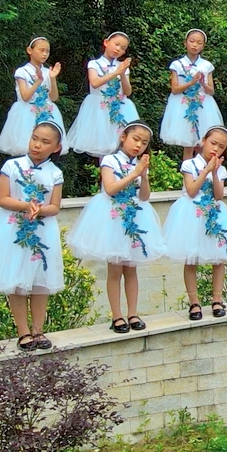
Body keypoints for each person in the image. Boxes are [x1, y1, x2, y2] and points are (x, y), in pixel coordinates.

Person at [0, 121, 66, 350]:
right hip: (13, 229)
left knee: (40, 283)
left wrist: (40, 210)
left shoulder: (55, 173)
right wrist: (25, 206)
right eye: (35, 138)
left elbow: (55, 206)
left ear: (56, 147)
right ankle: (23, 332)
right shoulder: (12, 165)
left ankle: (39, 331)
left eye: (45, 142)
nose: (37, 145)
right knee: (16, 282)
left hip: (42, 231)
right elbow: (2, 198)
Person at [70, 121, 169, 333]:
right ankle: (117, 316)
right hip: (113, 216)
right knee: (115, 270)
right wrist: (134, 174)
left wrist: (143, 176)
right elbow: (110, 189)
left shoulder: (139, 164)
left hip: (134, 216)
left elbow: (144, 196)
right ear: (123, 137)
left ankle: (133, 313)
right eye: (136, 139)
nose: (139, 145)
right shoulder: (110, 160)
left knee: (131, 269)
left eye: (144, 143)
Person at [162, 126, 227, 321]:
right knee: (191, 259)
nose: (216, 148)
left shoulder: (220, 169)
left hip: (214, 212)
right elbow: (191, 190)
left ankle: (217, 299)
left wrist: (214, 173)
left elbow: (219, 195)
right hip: (192, 213)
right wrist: (206, 170)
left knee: (219, 258)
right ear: (203, 141)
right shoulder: (189, 164)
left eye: (221, 146)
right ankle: (194, 302)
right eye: (213, 143)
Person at [0, 36, 65, 158]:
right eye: (41, 50)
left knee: (46, 144)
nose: (45, 54)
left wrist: (52, 78)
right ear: (30, 50)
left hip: (46, 112)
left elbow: (53, 97)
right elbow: (25, 96)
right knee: (26, 146)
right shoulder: (22, 72)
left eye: (47, 51)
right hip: (26, 112)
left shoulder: (48, 71)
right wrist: (38, 81)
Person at [70, 31, 138, 158]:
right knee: (101, 145)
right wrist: (115, 73)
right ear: (106, 42)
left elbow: (127, 91)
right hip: (99, 108)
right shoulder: (94, 64)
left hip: (120, 108)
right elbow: (95, 83)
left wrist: (122, 74)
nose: (118, 49)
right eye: (116, 44)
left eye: (122, 48)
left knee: (121, 143)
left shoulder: (122, 67)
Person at [161, 29, 225, 161]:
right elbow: (175, 89)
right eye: (192, 41)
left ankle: (205, 171)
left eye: (199, 43)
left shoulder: (206, 65)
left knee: (204, 144)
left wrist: (203, 83)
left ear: (203, 46)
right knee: (188, 144)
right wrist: (191, 82)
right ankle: (187, 172)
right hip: (183, 104)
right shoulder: (177, 65)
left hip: (203, 105)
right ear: (185, 43)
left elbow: (211, 91)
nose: (195, 45)